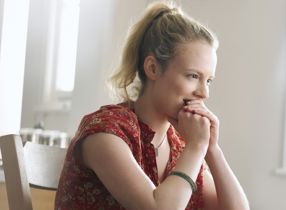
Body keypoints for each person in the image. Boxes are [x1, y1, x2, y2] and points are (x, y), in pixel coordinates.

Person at [54, 1, 250, 210]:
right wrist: (196, 147)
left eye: (208, 80)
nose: (204, 93)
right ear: (153, 68)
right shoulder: (104, 132)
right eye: (193, 76)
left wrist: (211, 148)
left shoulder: (179, 144)